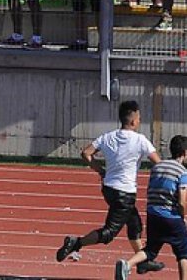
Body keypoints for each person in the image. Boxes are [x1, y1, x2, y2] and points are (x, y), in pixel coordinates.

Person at [57, 101, 163, 270]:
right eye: (139, 118)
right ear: (134, 121)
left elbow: (86, 153)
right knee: (109, 233)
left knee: (134, 223)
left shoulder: (108, 137)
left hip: (109, 188)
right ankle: (76, 242)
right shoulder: (140, 140)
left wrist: (100, 170)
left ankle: (143, 262)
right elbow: (158, 163)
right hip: (125, 192)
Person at [114, 135, 187, 280]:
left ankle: (127, 264)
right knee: (183, 252)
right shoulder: (182, 172)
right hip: (171, 216)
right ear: (184, 152)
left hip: (153, 214)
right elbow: (182, 201)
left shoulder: (157, 167)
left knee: (151, 249)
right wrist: (183, 216)